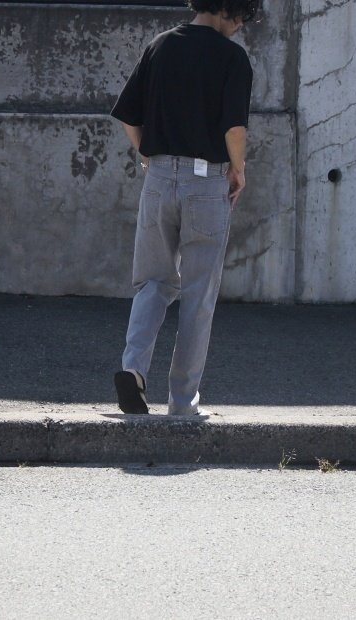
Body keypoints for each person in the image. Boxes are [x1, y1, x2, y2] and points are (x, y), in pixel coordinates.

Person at [110, 0, 258, 415]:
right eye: (242, 17)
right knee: (198, 294)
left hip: (158, 178)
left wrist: (148, 154)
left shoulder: (160, 46)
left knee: (152, 282)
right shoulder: (232, 58)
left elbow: (128, 116)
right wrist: (238, 170)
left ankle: (133, 369)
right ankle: (181, 402)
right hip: (206, 182)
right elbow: (234, 128)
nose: (241, 26)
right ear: (230, 8)